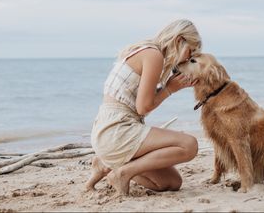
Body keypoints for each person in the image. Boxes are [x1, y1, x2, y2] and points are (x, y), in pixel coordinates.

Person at [85, 19, 202, 195]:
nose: (188, 57)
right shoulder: (153, 55)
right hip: (117, 129)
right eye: (190, 50)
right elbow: (143, 107)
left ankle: (106, 164)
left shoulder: (147, 51)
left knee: (171, 182)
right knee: (189, 145)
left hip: (109, 130)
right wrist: (169, 89)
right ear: (179, 41)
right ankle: (122, 172)